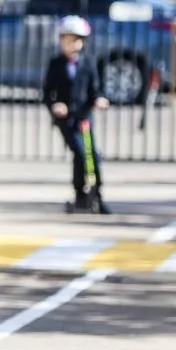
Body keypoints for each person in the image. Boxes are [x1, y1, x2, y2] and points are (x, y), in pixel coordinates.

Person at [42, 15, 111, 214]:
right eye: (66, 39)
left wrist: (99, 100)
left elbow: (95, 90)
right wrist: (55, 105)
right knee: (81, 152)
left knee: (91, 155)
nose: (71, 44)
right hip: (67, 120)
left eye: (75, 40)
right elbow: (47, 93)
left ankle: (95, 194)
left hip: (84, 117)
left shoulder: (88, 63)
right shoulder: (56, 64)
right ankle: (81, 192)